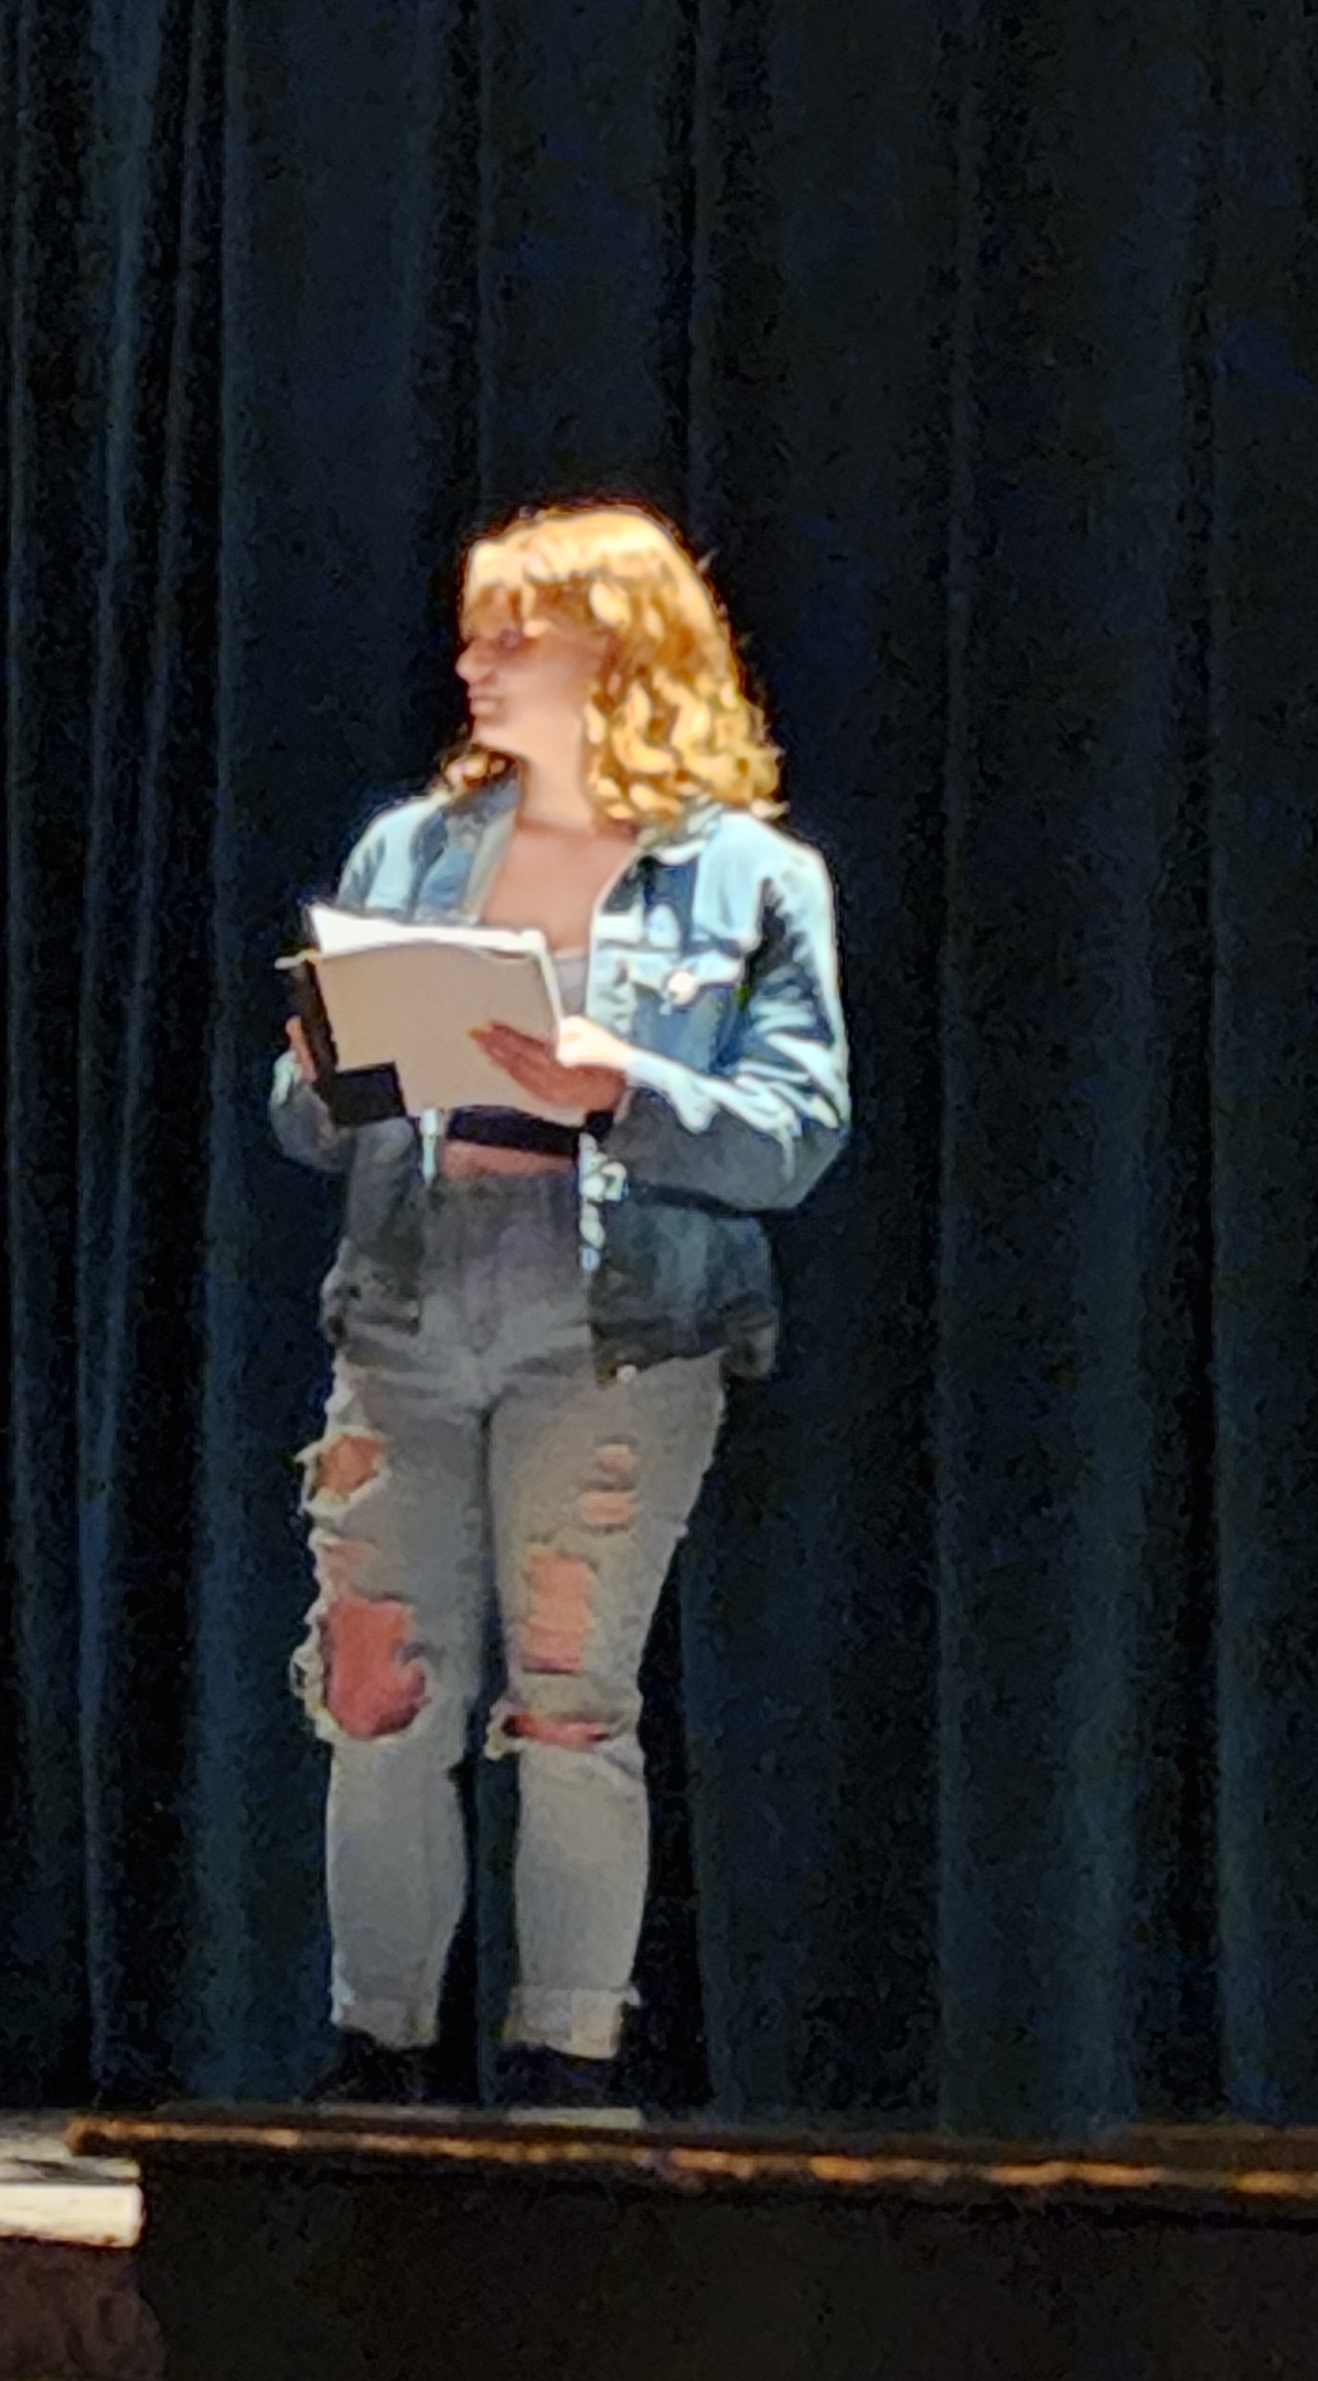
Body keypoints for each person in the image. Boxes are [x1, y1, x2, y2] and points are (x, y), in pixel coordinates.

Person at [273, 502, 848, 2117]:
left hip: (617, 1332)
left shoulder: (747, 879)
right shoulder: (416, 851)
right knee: (378, 1689)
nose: (471, 660)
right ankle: (377, 2049)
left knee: (572, 1704)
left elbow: (799, 1133)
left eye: (509, 635)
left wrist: (624, 1086)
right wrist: (326, 1067)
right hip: (410, 1300)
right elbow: (302, 1118)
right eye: (472, 633)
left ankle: (565, 2060)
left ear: (619, 653)